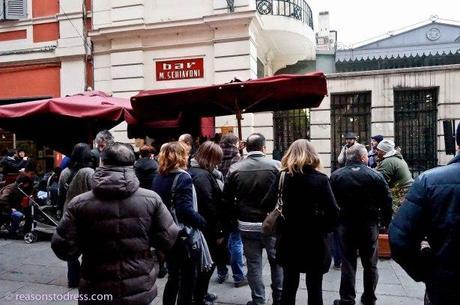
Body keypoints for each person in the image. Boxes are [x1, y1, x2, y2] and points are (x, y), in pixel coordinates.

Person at [51, 143, 179, 305]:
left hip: (96, 289)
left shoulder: (80, 203)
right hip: (138, 290)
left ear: (101, 163)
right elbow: (168, 239)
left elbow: (63, 248)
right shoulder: (151, 199)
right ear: (132, 165)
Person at [389, 123, 460, 305]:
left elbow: (399, 239)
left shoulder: (430, 181)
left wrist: (427, 272)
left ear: (457, 144)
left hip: (447, 288)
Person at [262, 139, 339, 305]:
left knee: (289, 286)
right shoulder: (321, 179)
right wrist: (323, 228)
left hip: (289, 239)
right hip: (315, 240)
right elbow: (333, 213)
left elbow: (265, 204)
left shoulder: (282, 177)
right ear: (313, 155)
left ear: (290, 154)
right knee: (315, 288)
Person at [222, 133, 283, 305]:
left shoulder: (235, 168)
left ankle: (258, 299)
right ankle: (278, 298)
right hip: (271, 224)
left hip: (247, 224)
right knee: (276, 262)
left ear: (247, 148)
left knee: (253, 264)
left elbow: (226, 199)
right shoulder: (276, 166)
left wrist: (234, 217)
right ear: (264, 147)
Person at [330, 144, 393, 305]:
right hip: (369, 224)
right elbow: (387, 201)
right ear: (363, 158)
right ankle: (369, 297)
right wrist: (384, 223)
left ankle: (347, 298)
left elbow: (330, 202)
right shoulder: (375, 175)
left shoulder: (336, 176)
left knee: (348, 262)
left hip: (346, 224)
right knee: (370, 264)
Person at [152, 141, 207, 305]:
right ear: (180, 157)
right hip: (182, 234)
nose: (188, 156)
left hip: (166, 232)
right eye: (186, 154)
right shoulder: (183, 177)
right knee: (188, 278)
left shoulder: (159, 177)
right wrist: (202, 222)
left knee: (174, 276)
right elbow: (184, 211)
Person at [189, 141, 225, 305]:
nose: (219, 162)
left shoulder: (198, 172)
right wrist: (218, 231)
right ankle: (199, 296)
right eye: (217, 159)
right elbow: (209, 205)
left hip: (202, 225)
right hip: (206, 227)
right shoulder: (202, 175)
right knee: (207, 263)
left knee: (206, 263)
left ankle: (201, 293)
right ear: (209, 158)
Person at [57, 143, 95, 288]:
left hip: (70, 213)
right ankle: (86, 276)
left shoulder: (65, 172)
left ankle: (73, 279)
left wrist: (60, 211)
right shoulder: (89, 172)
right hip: (87, 213)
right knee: (88, 246)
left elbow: (60, 194)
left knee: (71, 247)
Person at [217, 133, 247, 287]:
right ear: (235, 143)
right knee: (236, 241)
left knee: (221, 239)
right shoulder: (239, 160)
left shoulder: (216, 156)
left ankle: (221, 271)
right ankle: (238, 276)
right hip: (235, 205)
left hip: (219, 204)